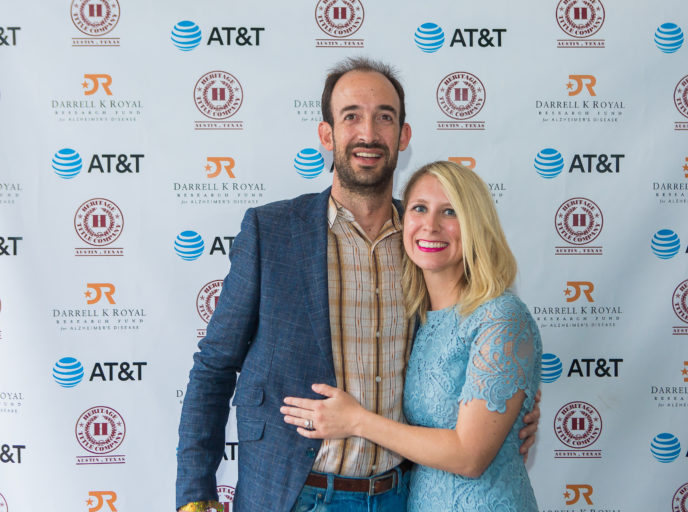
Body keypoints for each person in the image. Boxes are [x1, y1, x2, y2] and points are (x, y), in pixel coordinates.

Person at [176, 58, 540, 512]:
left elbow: (472, 340)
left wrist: (512, 408)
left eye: (384, 117)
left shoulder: (425, 240)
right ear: (326, 134)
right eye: (351, 116)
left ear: (403, 135)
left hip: (401, 496)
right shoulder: (271, 233)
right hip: (293, 496)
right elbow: (214, 366)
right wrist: (195, 495)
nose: (368, 133)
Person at [281, 161, 542, 511]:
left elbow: (470, 456)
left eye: (450, 211)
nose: (430, 226)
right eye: (419, 208)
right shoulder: (420, 318)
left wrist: (357, 420)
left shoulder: (501, 316)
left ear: (476, 225)